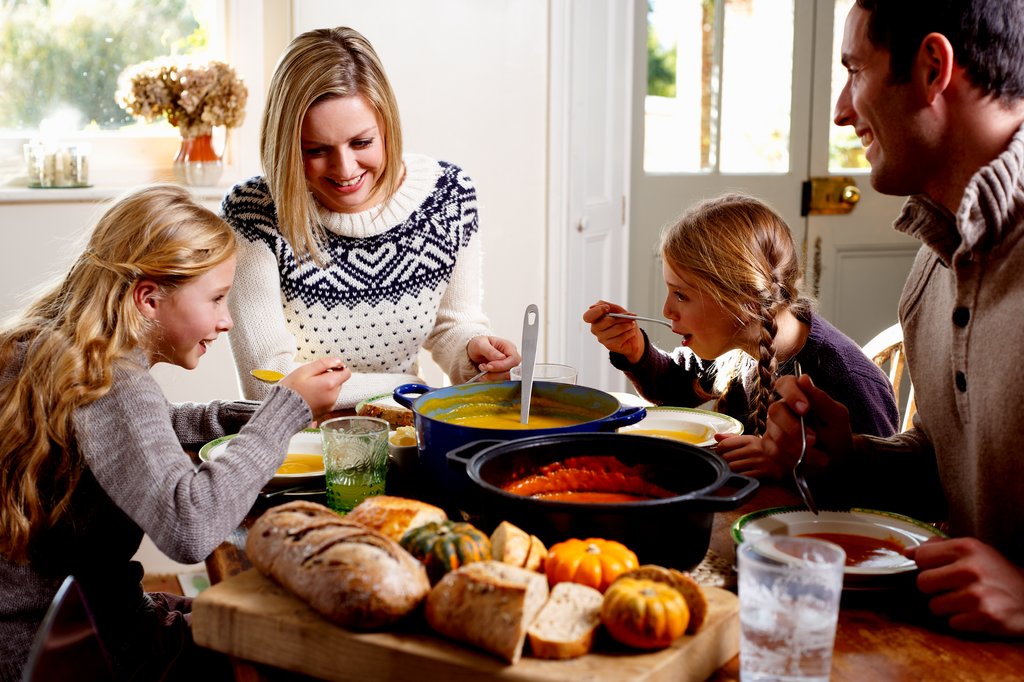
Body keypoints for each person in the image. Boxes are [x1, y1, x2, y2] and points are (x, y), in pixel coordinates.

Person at [0, 184, 350, 681]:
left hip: (43, 626)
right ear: (148, 298)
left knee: (240, 621)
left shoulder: (55, 347)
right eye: (216, 299)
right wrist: (285, 412)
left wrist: (251, 413)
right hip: (70, 649)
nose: (227, 321)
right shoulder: (115, 382)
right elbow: (191, 527)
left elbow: (137, 433)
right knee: (294, 652)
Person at [764, 0, 1024, 637]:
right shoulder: (934, 262)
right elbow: (950, 469)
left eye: (855, 71)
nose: (841, 111)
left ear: (933, 67)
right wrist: (849, 459)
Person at [221, 26, 520, 410]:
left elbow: (452, 326)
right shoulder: (253, 212)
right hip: (302, 447)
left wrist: (474, 353)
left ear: (387, 128)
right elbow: (268, 385)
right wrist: (408, 386)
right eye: (316, 150)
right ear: (286, 146)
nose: (345, 169)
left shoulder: (449, 196)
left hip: (403, 436)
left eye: (362, 143)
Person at [583, 193, 898, 480]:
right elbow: (675, 387)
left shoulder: (845, 379)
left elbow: (886, 493)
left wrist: (788, 466)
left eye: (681, 295)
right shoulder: (738, 344)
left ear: (742, 298)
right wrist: (635, 351)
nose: (666, 310)